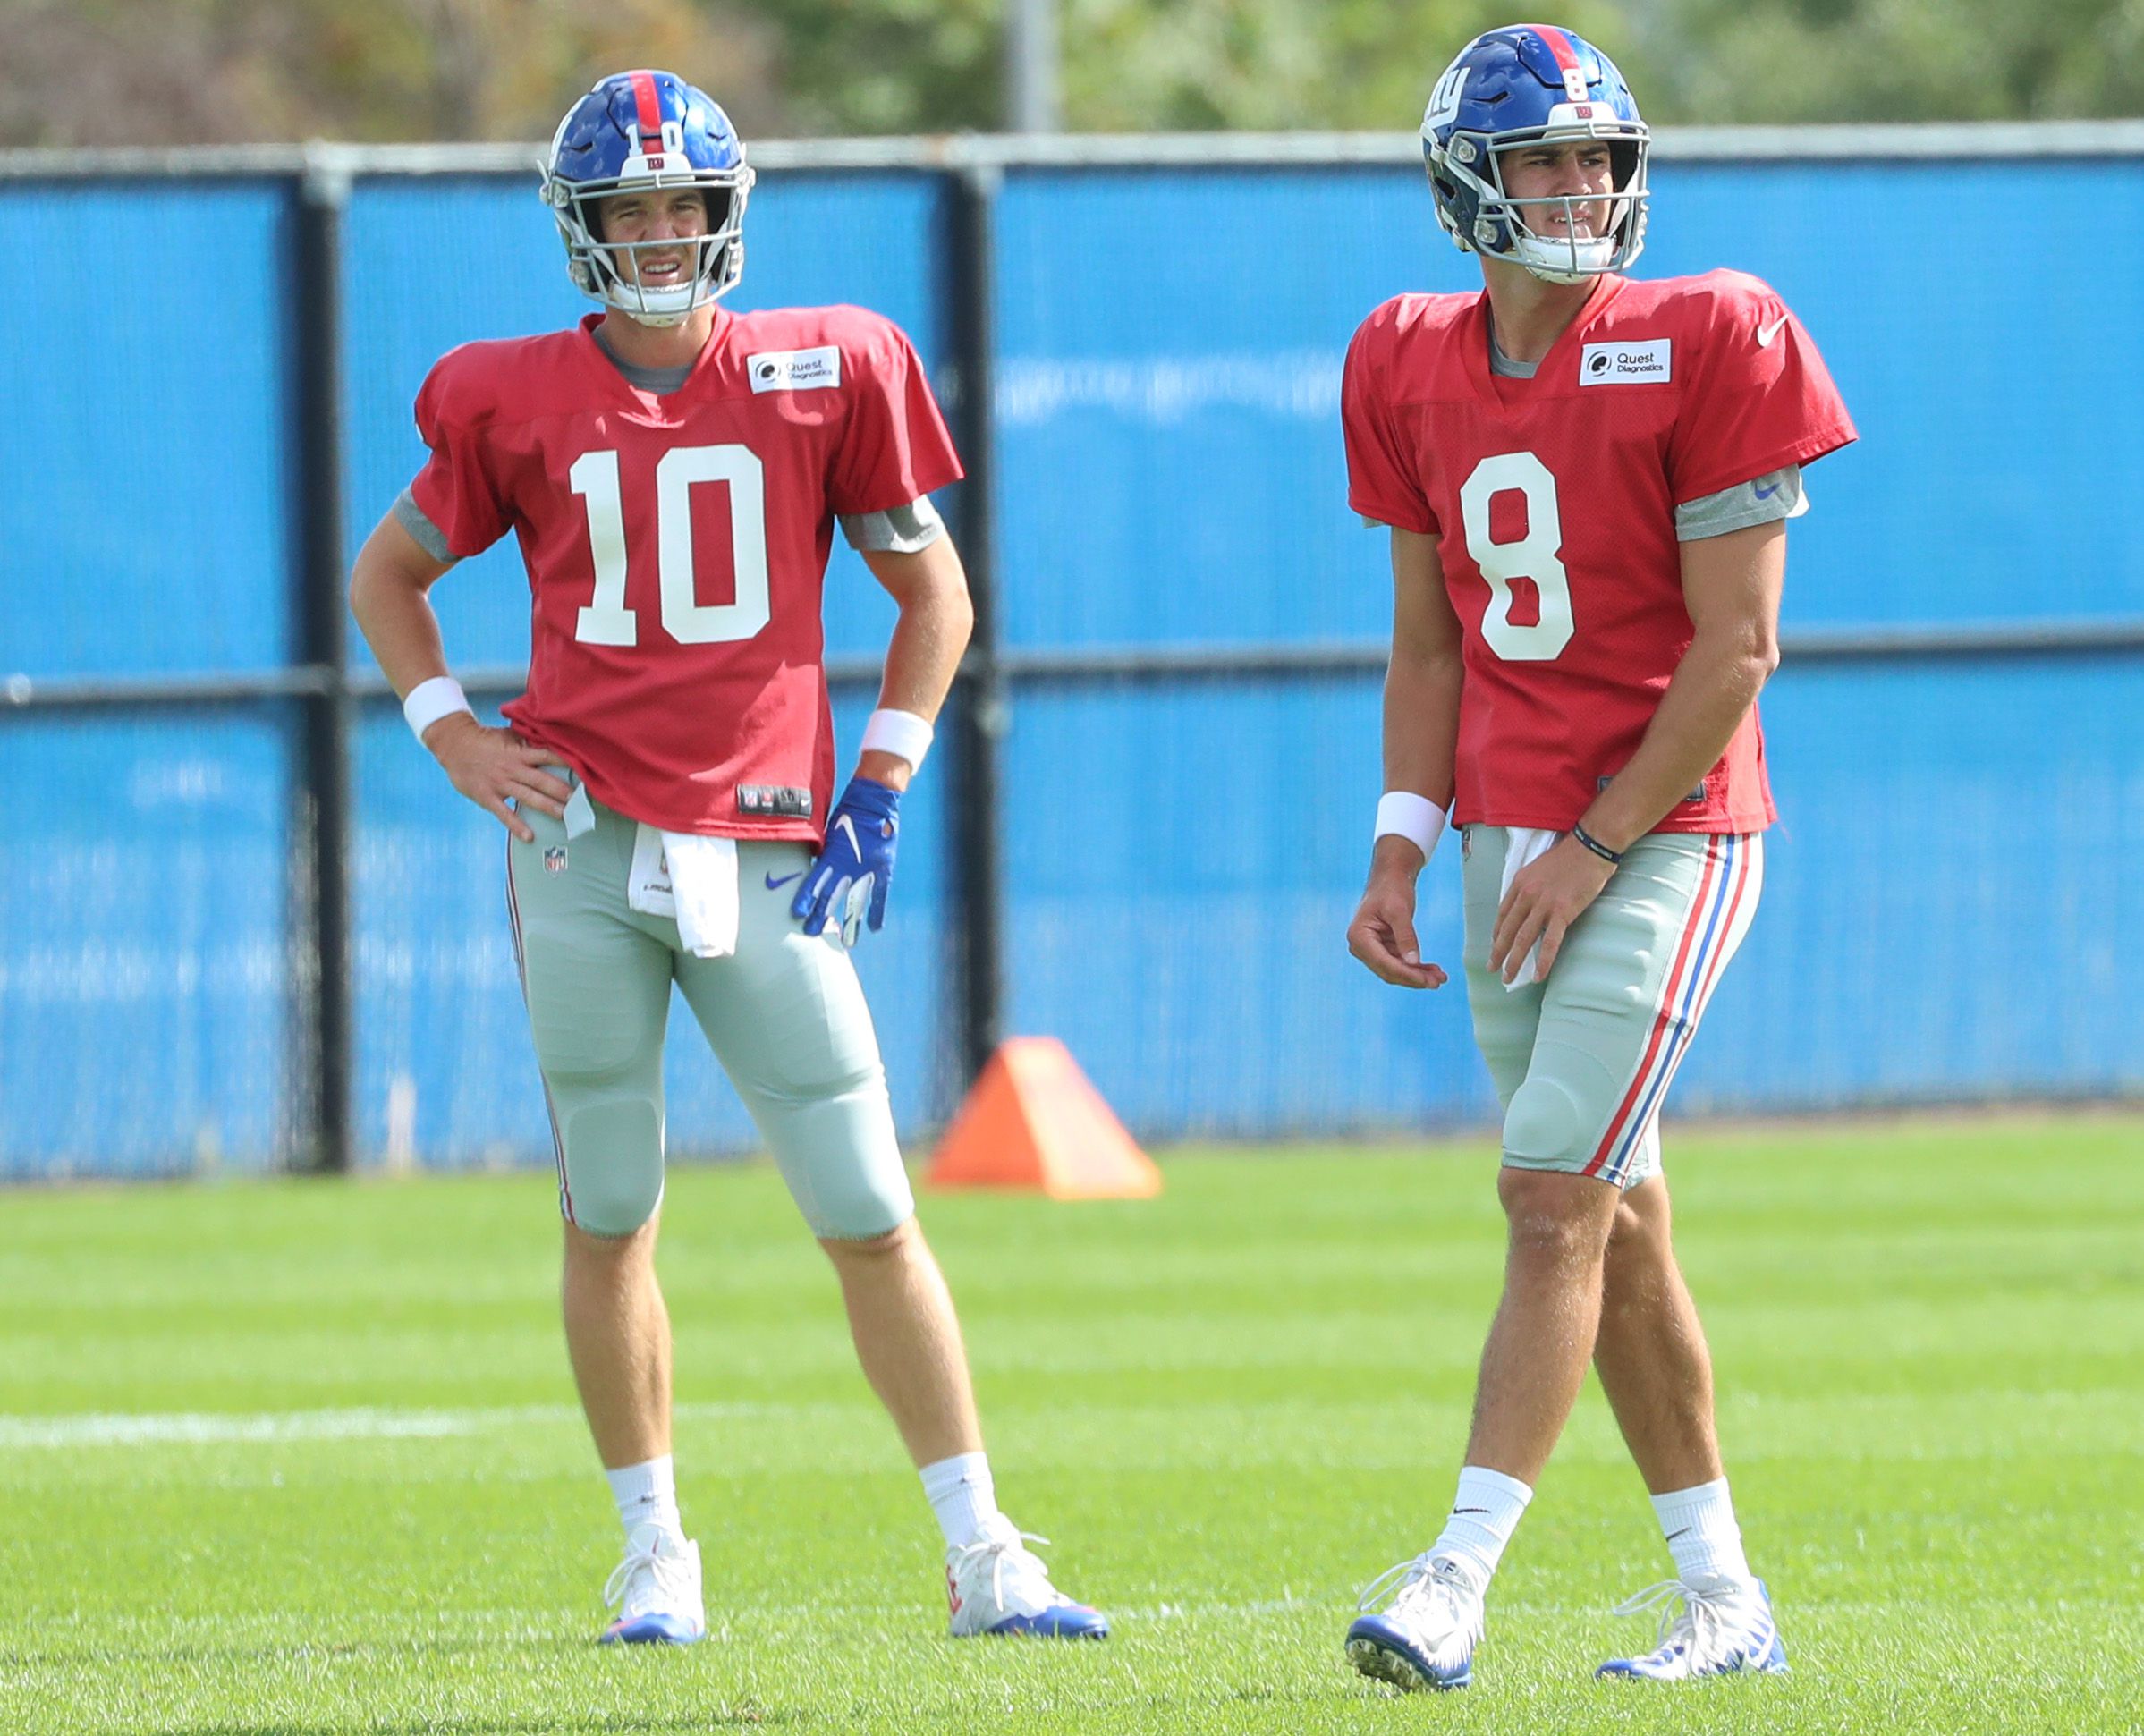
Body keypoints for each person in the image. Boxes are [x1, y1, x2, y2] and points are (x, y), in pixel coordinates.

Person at [347, 69, 1106, 1647]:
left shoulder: (835, 367)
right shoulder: (507, 394)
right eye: (628, 206)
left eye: (683, 202)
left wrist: (881, 777)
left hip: (765, 844)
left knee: (868, 1201)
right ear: (580, 226)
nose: (659, 230)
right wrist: (449, 732)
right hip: (578, 832)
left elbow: (936, 599)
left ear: (725, 212)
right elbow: (388, 574)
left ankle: (982, 1551)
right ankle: (654, 1550)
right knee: (609, 1203)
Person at [1337, 24, 1854, 1691]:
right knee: (1616, 1216)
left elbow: (1738, 651)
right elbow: (1428, 647)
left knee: (1548, 1191)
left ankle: (1453, 1577)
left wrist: (1590, 840)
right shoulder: (1402, 355)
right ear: (1464, 189)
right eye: (1545, 161)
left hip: (1664, 831)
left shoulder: (1714, 327)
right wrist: (1402, 842)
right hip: (1502, 834)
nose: (1579, 189)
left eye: (1598, 158)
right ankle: (1725, 1599)